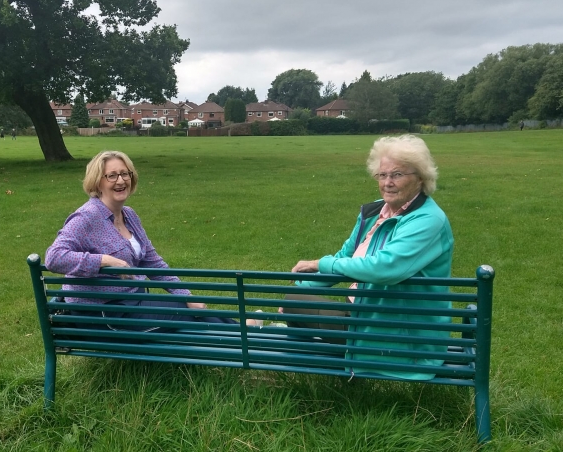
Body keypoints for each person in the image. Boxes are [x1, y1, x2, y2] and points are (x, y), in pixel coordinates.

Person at [281, 134, 454, 380]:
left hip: (399, 335)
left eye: (397, 175)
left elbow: (386, 268)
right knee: (295, 298)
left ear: (420, 178)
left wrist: (319, 266)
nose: (387, 183)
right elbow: (346, 256)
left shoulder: (428, 221)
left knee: (294, 302)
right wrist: (304, 285)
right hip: (366, 316)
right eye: (382, 175)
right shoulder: (374, 212)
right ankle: (328, 367)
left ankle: (327, 371)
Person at [45, 150, 242, 331]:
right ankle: (247, 337)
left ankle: (246, 334)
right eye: (112, 175)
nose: (121, 180)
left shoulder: (129, 215)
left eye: (125, 174)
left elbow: (153, 263)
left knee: (190, 307)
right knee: (187, 314)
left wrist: (186, 294)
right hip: (105, 313)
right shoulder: (87, 217)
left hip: (132, 301)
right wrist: (104, 260)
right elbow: (54, 257)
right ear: (98, 182)